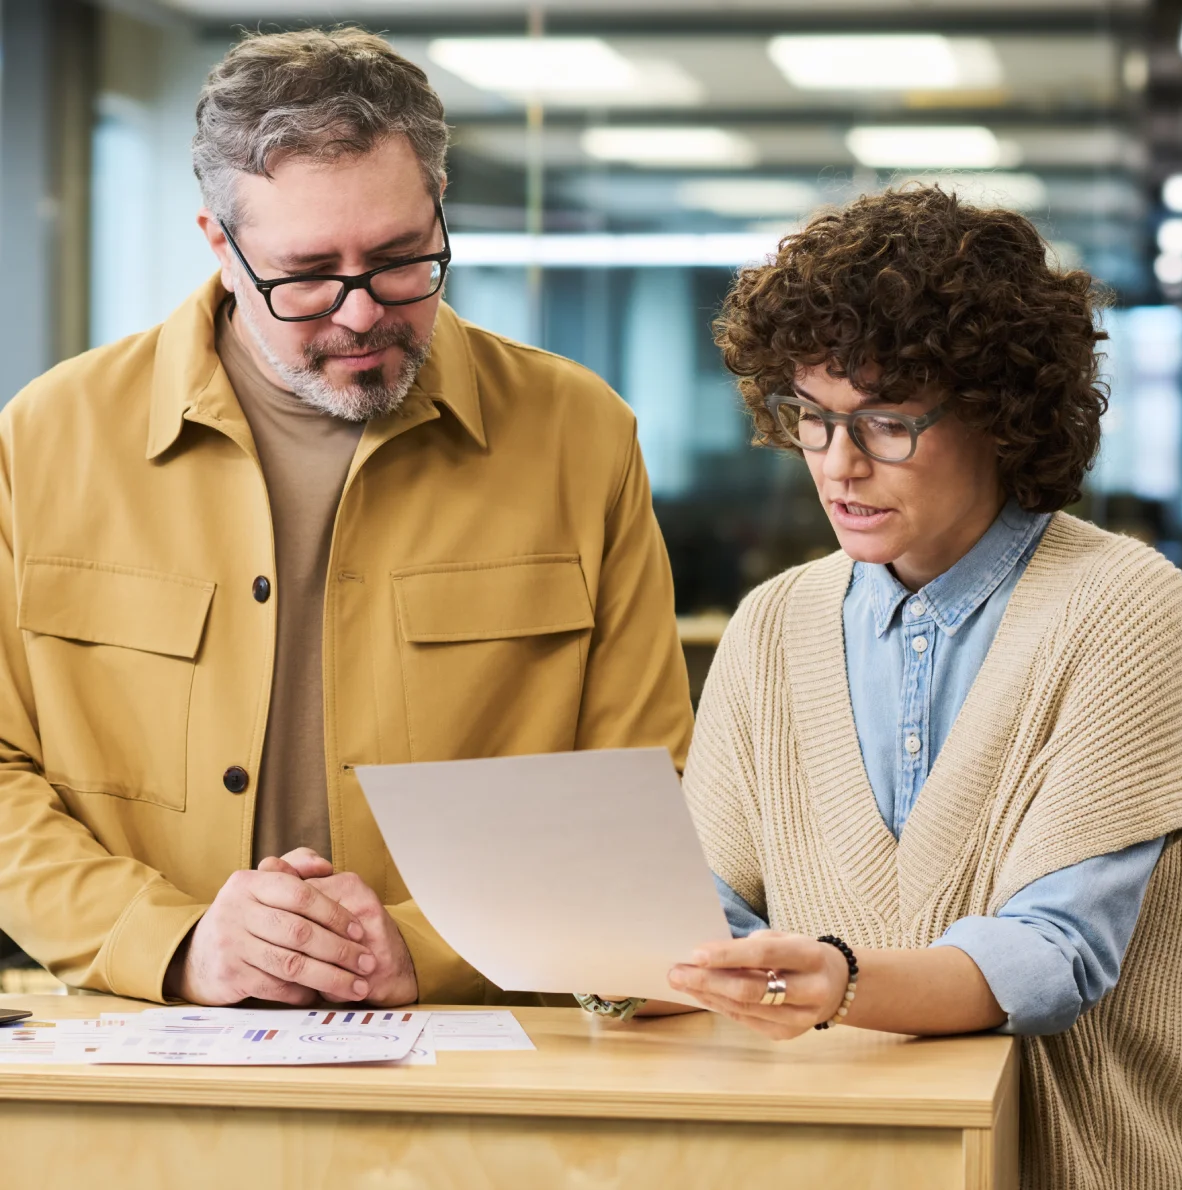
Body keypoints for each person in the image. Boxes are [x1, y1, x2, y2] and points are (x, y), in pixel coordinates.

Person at [0, 27, 691, 1009]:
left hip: (475, 1054)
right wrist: (173, 940)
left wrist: (430, 946)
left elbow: (636, 791)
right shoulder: (47, 437)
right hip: (142, 1043)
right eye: (310, 272)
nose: (362, 313)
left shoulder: (578, 434)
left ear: (439, 213)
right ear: (219, 247)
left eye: (403, 259)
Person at [665, 188, 1182, 1190]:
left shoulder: (1124, 605)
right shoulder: (772, 624)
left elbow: (1055, 951)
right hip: (827, 1179)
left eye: (888, 424)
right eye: (811, 418)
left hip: (1075, 1188)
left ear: (1002, 414)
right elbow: (709, 907)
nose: (838, 464)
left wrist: (839, 979)